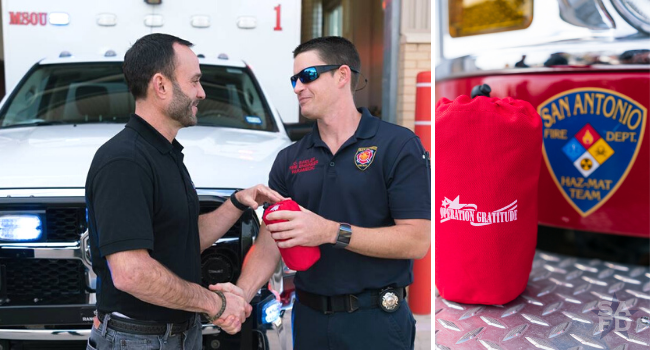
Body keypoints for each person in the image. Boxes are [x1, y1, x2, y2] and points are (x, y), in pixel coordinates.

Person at [218, 36, 431, 349]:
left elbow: (417, 240)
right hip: (310, 321)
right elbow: (270, 242)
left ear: (342, 75)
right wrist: (240, 295)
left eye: (308, 76)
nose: (297, 88)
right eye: (294, 79)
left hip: (376, 322)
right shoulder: (289, 159)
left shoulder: (397, 146)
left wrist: (331, 232)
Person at [84, 33, 284, 350]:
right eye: (194, 81)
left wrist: (236, 203)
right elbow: (131, 273)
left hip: (174, 335)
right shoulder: (125, 161)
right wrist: (215, 304)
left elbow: (183, 238)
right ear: (161, 86)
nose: (202, 93)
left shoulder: (164, 153)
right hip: (137, 340)